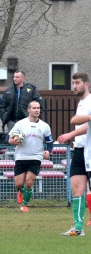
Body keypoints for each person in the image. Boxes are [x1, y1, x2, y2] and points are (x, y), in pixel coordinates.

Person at [58, 72, 91, 236]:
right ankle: (78, 228)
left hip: (90, 150)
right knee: (76, 188)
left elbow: (86, 125)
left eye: (77, 83)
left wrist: (71, 134)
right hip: (79, 150)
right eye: (73, 83)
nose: (74, 86)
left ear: (86, 84)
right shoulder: (81, 103)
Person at [8, 101, 53, 212]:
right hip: (21, 156)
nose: (37, 110)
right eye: (34, 108)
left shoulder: (44, 126)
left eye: (38, 108)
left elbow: (50, 142)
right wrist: (12, 141)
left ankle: (24, 205)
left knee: (29, 182)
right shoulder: (21, 124)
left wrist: (48, 151)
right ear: (28, 110)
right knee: (19, 184)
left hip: (36, 157)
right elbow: (9, 138)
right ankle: (20, 191)